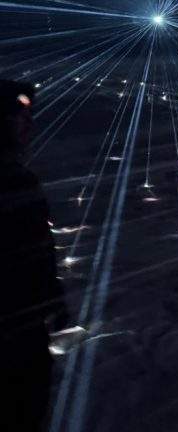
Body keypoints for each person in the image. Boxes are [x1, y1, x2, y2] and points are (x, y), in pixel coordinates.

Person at [0, 79, 68, 431]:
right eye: (19, 118)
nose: (28, 126)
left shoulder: (21, 178)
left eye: (29, 118)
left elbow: (38, 249)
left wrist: (52, 299)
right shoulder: (15, 180)